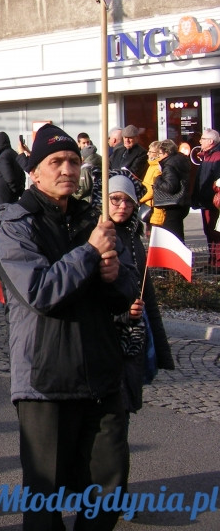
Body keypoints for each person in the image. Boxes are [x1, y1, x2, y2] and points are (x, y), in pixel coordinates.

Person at [0, 123, 133, 531]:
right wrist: (89, 254)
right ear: (35, 172)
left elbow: (126, 291)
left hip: (101, 373)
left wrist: (114, 278)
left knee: (109, 493)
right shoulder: (17, 225)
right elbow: (40, 291)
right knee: (45, 499)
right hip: (46, 379)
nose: (67, 169)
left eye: (73, 161)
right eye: (56, 162)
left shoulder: (95, 219)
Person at [102, 173, 174, 431]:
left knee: (124, 413)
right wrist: (122, 313)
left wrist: (162, 352)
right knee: (110, 419)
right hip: (105, 338)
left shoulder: (134, 238)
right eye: (115, 199)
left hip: (133, 338)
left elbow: (148, 296)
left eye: (128, 201)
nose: (122, 206)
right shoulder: (97, 235)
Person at [151, 138, 192, 241]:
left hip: (173, 205)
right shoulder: (179, 160)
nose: (159, 156)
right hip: (181, 203)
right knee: (177, 233)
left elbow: (170, 186)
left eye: (160, 153)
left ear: (166, 153)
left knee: (172, 236)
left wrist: (157, 180)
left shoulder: (169, 165)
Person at [192, 128, 220, 270]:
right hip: (205, 201)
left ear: (211, 141)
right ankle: (212, 262)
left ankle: (217, 263)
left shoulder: (217, 157)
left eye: (203, 139)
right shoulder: (206, 156)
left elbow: (217, 181)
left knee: (215, 233)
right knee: (209, 232)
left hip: (212, 202)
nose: (200, 141)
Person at [0, 131, 25, 213]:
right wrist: (20, 191)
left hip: (3, 201)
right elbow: (22, 174)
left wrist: (17, 190)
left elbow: (9, 177)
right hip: (12, 199)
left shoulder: (3, 157)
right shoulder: (14, 154)